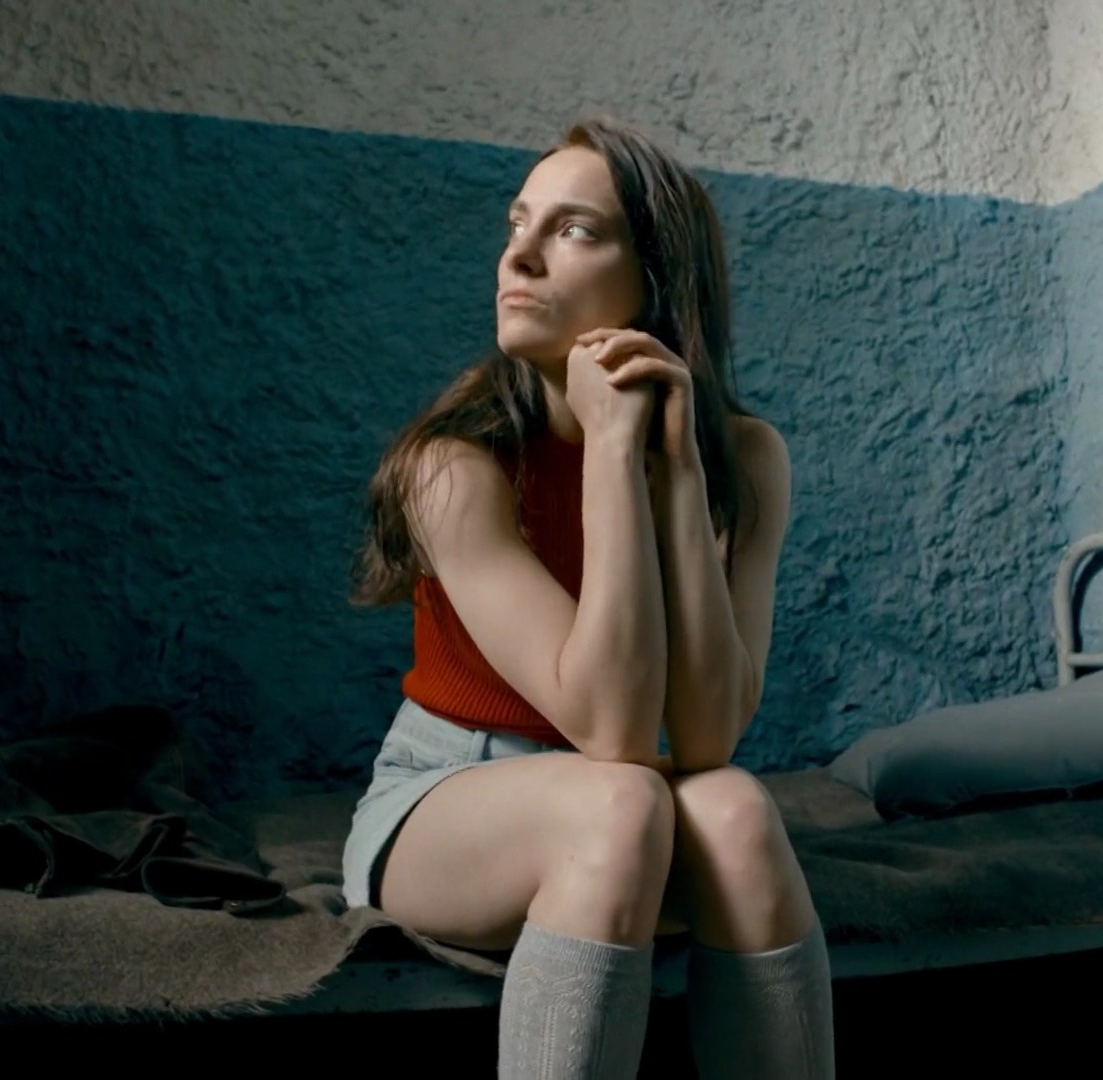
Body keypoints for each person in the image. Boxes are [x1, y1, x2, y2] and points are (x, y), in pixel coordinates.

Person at [343, 112, 834, 1079]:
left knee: (737, 809)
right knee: (619, 805)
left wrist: (678, 473)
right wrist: (612, 448)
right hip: (448, 795)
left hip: (629, 795)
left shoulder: (746, 459)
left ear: (656, 279)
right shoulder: (451, 466)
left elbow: (705, 739)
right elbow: (612, 728)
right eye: (517, 223)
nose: (518, 256)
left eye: (571, 230)